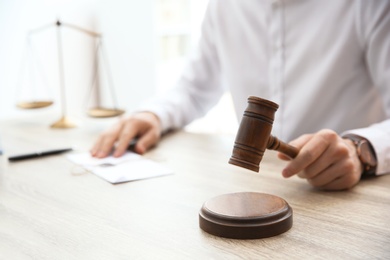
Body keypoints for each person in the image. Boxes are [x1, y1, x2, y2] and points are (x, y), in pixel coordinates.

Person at [91, 0, 390, 191]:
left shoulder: (370, 5)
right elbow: (193, 89)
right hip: (252, 187)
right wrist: (153, 114)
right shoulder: (224, 6)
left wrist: (361, 149)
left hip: (345, 195)